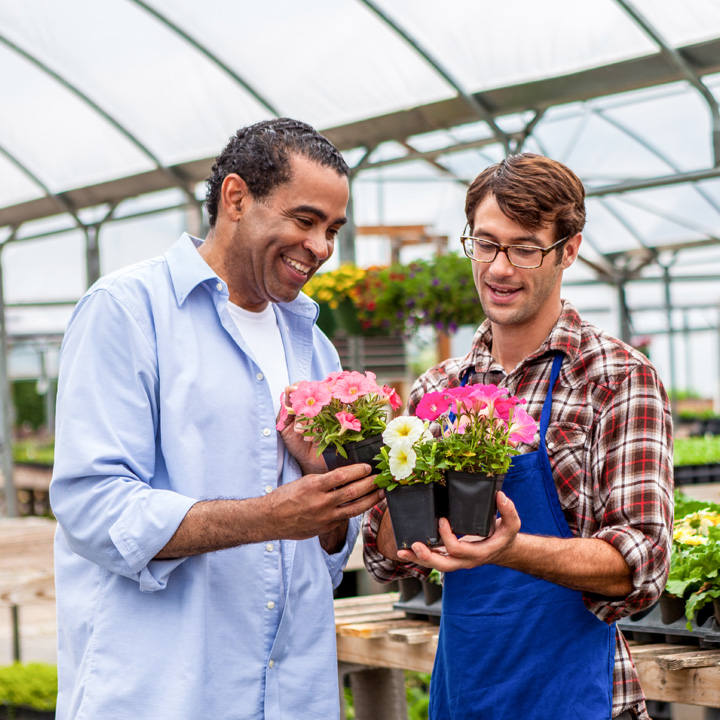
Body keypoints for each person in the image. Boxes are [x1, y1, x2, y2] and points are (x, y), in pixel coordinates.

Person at [50, 118, 383, 720]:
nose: (322, 247)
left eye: (332, 229)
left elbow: (327, 553)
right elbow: (93, 506)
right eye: (305, 220)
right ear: (236, 198)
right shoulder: (128, 312)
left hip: (291, 696)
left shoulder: (315, 348)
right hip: (165, 693)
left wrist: (332, 506)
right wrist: (267, 518)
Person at [363, 153, 673, 720]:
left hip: (576, 695)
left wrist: (512, 548)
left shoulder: (616, 377)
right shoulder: (438, 390)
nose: (499, 268)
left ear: (569, 249)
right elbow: (388, 558)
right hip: (467, 691)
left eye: (525, 247)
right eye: (485, 243)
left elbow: (643, 563)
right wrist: (375, 461)